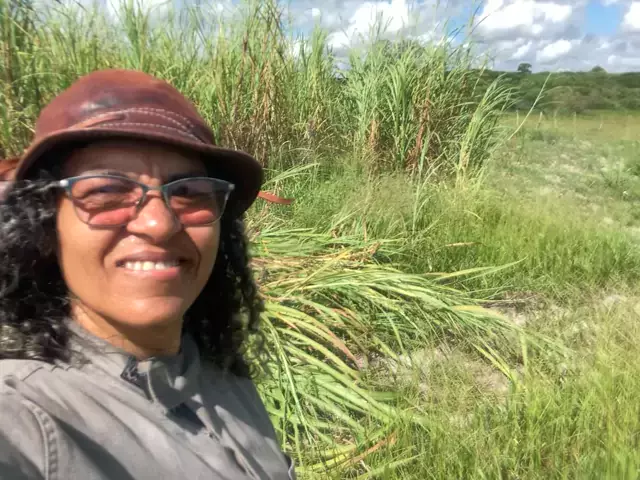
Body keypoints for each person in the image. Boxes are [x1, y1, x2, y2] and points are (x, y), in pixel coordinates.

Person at [0, 69, 296, 479]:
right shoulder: (26, 418)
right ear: (46, 225)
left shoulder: (220, 375)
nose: (160, 224)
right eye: (105, 191)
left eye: (189, 192)